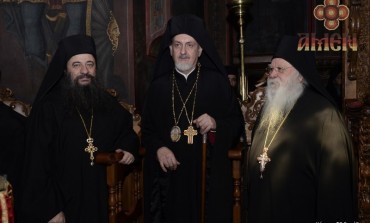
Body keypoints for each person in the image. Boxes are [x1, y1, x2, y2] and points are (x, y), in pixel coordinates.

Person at [19, 34, 139, 223]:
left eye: (90, 64)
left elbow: (126, 130)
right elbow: (36, 163)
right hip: (62, 203)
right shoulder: (49, 108)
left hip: (98, 198)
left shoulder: (105, 102)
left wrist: (127, 147)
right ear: (65, 70)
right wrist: (50, 209)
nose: (85, 71)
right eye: (76, 65)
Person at [141, 14, 244, 223]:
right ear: (169, 50)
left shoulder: (217, 82)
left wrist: (215, 125)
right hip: (169, 180)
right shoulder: (158, 87)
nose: (183, 51)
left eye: (190, 45)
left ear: (200, 50)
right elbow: (147, 130)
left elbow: (236, 124)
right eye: (177, 45)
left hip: (208, 177)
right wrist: (159, 148)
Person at [246, 35, 357, 222]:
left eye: (280, 69)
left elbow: (336, 187)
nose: (272, 74)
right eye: (271, 69)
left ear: (300, 75)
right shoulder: (270, 110)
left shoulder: (324, 115)